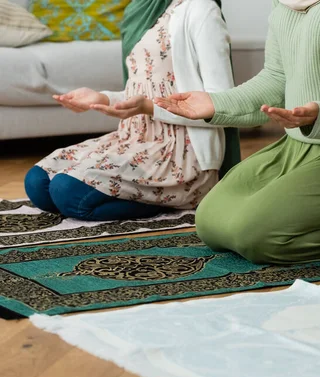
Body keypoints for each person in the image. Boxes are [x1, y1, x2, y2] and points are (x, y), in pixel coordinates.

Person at [154, 0, 320, 264]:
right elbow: (276, 78)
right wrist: (215, 103)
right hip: (293, 149)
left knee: (255, 237)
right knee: (210, 222)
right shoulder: (283, 2)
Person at [24, 0, 240, 221]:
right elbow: (143, 89)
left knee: (68, 193)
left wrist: (150, 108)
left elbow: (223, 103)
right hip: (134, 138)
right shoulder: (140, 11)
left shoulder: (201, 9)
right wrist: (103, 98)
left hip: (181, 152)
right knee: (37, 183)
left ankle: (179, 200)